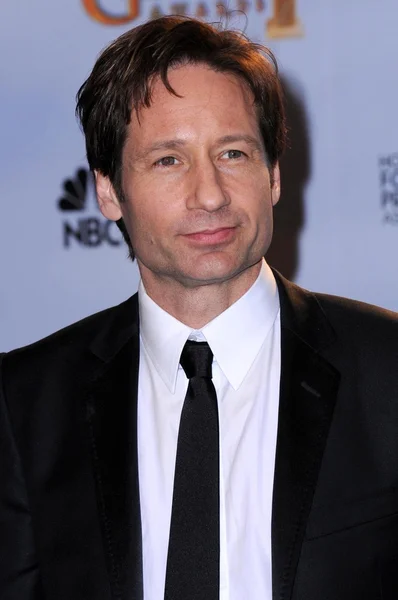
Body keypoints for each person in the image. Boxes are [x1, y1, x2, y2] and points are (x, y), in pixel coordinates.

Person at [1, 15, 397, 600]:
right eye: (169, 160)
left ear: (275, 174)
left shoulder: (388, 373)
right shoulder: (24, 404)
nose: (209, 194)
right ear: (108, 191)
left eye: (233, 153)